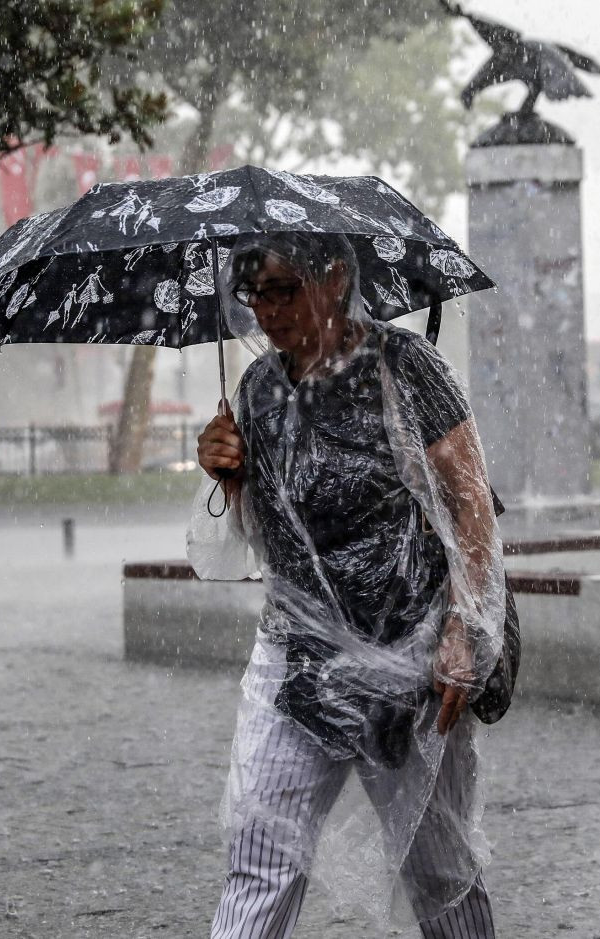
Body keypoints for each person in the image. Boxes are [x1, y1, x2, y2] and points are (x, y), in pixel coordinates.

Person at [191, 232, 506, 938]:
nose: (266, 311)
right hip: (297, 660)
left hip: (410, 662)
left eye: (282, 289)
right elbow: (266, 536)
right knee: (261, 855)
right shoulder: (258, 390)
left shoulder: (405, 368)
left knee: (440, 875)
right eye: (253, 293)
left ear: (334, 277)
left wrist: (467, 627)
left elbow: (470, 503)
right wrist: (230, 474)